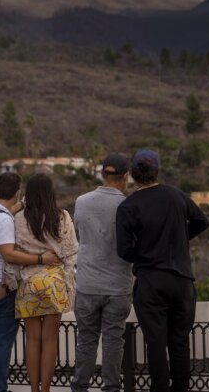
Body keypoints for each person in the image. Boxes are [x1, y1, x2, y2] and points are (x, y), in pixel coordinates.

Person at [116, 150, 209, 392]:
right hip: (181, 281)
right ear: (158, 171)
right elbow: (202, 221)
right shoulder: (175, 195)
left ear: (133, 175)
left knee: (155, 344)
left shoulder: (128, 206)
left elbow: (124, 250)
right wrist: (180, 240)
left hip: (150, 281)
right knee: (179, 342)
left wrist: (145, 251)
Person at [0, 172, 61, 392]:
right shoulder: (5, 219)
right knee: (2, 343)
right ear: (17, 192)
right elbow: (9, 255)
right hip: (0, 287)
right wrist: (42, 259)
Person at [4, 173, 79, 392]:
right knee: (50, 340)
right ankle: (45, 389)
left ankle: (33, 390)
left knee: (33, 340)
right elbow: (71, 253)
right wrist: (68, 285)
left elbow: (12, 255)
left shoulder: (18, 218)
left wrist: (10, 282)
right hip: (53, 283)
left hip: (28, 283)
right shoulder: (62, 217)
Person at [71, 154, 135, 392]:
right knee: (113, 340)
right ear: (125, 176)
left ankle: (79, 387)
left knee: (85, 341)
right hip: (118, 285)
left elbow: (80, 233)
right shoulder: (128, 205)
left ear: (102, 174)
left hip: (87, 283)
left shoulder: (82, 201)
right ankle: (111, 387)